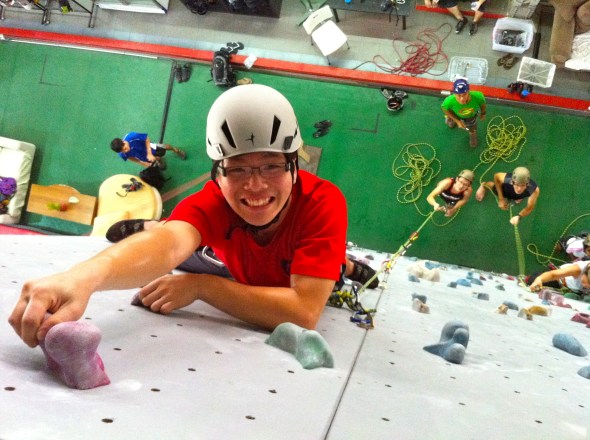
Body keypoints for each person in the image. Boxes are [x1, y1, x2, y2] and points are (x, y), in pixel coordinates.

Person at [9, 84, 368, 349]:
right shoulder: (214, 201)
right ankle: (154, 226)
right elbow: (167, 246)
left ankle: (346, 263)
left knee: (332, 269)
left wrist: (201, 287)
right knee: (184, 249)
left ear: (294, 166)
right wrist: (80, 279)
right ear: (217, 174)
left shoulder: (322, 202)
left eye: (272, 166)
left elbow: (303, 311)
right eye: (237, 169)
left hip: (279, 273)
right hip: (240, 268)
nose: (256, 185)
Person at [475, 166, 540, 226]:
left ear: (527, 184)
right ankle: (484, 185)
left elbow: (530, 208)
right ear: (512, 181)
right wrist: (501, 198)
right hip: (506, 189)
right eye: (517, 184)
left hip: (520, 195)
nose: (519, 189)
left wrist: (519, 216)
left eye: (523, 185)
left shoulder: (534, 190)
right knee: (492, 187)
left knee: (519, 195)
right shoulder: (506, 178)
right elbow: (496, 176)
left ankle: (517, 197)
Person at [441, 78, 486, 148]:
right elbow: (444, 108)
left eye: (464, 94)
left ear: (468, 92)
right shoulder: (449, 101)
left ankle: (472, 134)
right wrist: (457, 121)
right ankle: (453, 122)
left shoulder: (478, 96)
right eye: (458, 95)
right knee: (449, 121)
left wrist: (483, 113)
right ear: (454, 93)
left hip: (470, 117)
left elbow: (482, 104)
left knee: (472, 127)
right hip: (455, 115)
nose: (462, 99)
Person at [110, 132, 186, 169]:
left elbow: (146, 138)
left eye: (125, 148)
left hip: (149, 147)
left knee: (164, 147)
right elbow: (130, 158)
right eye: (123, 151)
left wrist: (149, 153)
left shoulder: (132, 136)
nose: (125, 151)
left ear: (123, 142)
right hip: (143, 156)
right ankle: (159, 160)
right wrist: (142, 163)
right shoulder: (121, 153)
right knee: (155, 158)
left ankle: (175, 150)